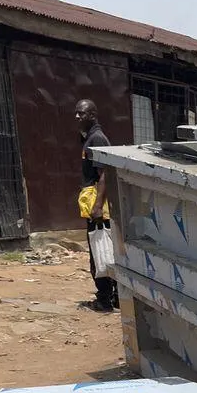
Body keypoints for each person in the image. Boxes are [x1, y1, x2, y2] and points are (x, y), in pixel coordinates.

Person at [75, 99, 118, 312]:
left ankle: (105, 298)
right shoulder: (89, 138)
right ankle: (115, 296)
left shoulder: (97, 139)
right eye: (76, 113)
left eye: (81, 113)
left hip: (98, 203)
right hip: (93, 200)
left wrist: (98, 205)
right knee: (103, 248)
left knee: (100, 250)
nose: (77, 117)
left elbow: (105, 174)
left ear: (92, 115)